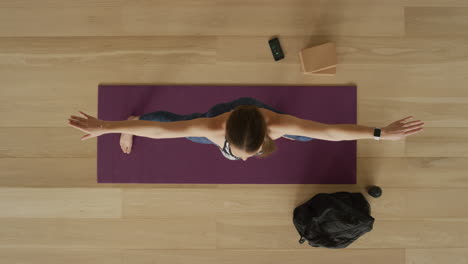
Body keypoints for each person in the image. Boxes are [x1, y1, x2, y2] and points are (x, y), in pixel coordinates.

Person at [67, 97, 424, 161]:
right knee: (164, 122)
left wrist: (381, 133)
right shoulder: (211, 126)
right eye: (240, 154)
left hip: (257, 114)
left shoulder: (280, 125)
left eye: (247, 154)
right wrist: (107, 127)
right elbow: (160, 132)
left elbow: (331, 132)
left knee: (306, 132)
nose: (243, 160)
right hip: (223, 117)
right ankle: (133, 123)